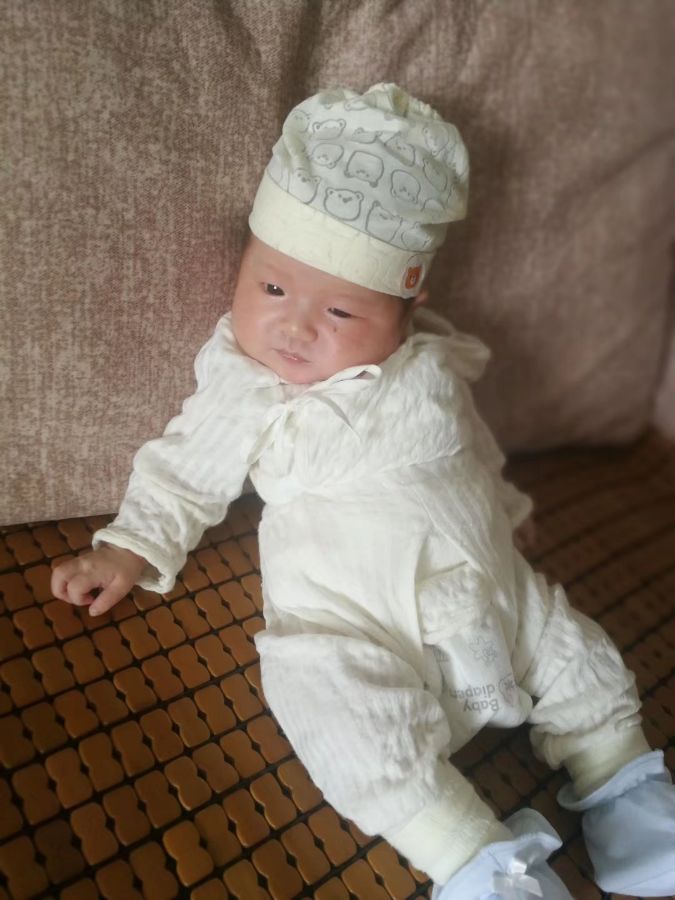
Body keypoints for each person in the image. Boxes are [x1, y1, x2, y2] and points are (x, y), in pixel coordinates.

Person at [51, 83, 675, 898]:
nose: (295, 326)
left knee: (573, 651)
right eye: (271, 289)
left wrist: (509, 510)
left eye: (342, 311)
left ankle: (624, 787)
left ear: (408, 308)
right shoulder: (248, 381)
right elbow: (186, 462)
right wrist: (130, 545)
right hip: (348, 615)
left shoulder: (431, 363)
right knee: (324, 701)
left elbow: (472, 446)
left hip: (485, 582)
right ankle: (471, 856)